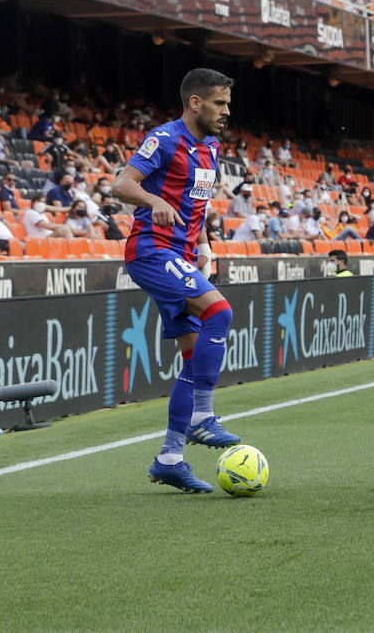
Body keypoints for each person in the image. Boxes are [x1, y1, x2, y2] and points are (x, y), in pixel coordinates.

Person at [112, 68, 240, 493]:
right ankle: (202, 416)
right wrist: (153, 199)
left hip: (183, 256)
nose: (227, 110)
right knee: (219, 312)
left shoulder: (212, 147)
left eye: (227, 103)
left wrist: (204, 244)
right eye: (220, 103)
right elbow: (121, 183)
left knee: (191, 356)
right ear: (195, 102)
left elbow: (195, 204)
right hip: (151, 251)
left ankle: (169, 458)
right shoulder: (165, 139)